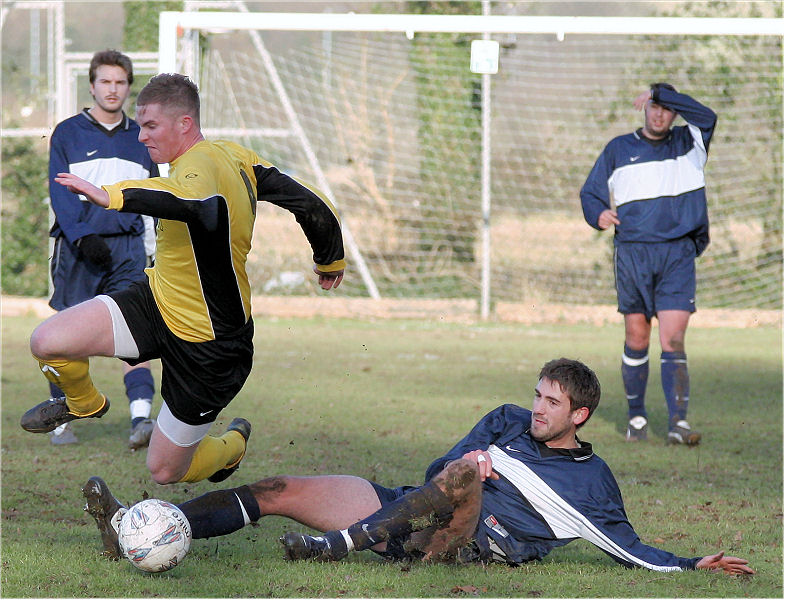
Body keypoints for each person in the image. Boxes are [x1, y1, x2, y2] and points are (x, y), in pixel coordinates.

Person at [81, 358, 753, 576]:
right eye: (537, 396)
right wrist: (468, 459)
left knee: (465, 482)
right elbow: (439, 467)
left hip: (465, 543)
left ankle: (335, 547)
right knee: (276, 488)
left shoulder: (590, 481)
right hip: (411, 505)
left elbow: (626, 546)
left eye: (551, 404)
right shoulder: (505, 420)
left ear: (580, 416)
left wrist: (691, 565)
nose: (537, 409)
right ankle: (141, 528)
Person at [21, 73, 346, 486]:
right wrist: (329, 258)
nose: (140, 137)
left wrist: (114, 194)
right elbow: (310, 201)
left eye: (151, 126)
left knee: (164, 471)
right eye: (139, 125)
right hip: (156, 303)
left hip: (211, 346)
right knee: (47, 342)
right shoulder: (236, 156)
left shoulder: (199, 168)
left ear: (184, 124)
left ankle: (230, 446)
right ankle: (83, 403)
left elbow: (189, 202)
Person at [580, 83, 717, 445]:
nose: (659, 114)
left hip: (677, 254)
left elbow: (707, 115)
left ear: (674, 113)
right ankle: (637, 418)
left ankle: (678, 424)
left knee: (673, 338)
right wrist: (598, 212)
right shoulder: (619, 148)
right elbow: (590, 191)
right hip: (634, 253)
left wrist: (659, 90)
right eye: (654, 107)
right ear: (644, 111)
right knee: (637, 337)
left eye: (666, 108)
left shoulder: (690, 142)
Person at [46, 49, 159, 448]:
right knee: (64, 337)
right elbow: (58, 194)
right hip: (79, 251)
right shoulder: (68, 133)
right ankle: (61, 419)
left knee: (136, 330)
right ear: (92, 85)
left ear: (129, 87)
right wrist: (81, 235)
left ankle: (141, 419)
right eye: (105, 82)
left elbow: (155, 196)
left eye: (120, 82)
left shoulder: (143, 136)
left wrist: (153, 248)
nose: (113, 89)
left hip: (128, 249)